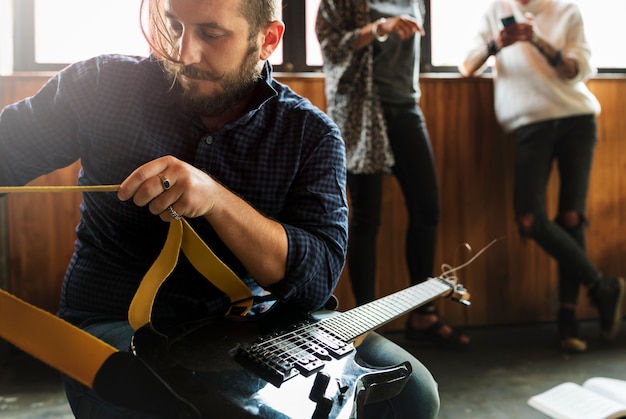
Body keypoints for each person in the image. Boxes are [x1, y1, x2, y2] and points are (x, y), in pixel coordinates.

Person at [0, 0, 440, 417]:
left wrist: (216, 199)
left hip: (260, 326)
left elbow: (316, 279)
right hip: (116, 324)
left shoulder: (310, 133)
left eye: (210, 33)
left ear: (268, 39)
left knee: (413, 394)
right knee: (178, 404)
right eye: (174, 25)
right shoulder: (99, 86)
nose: (183, 52)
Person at [459, 0, 624, 352]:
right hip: (529, 126)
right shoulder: (494, 11)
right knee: (530, 218)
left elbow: (577, 70)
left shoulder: (567, 10)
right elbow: (467, 67)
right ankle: (600, 285)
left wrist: (539, 43)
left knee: (571, 218)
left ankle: (568, 322)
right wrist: (496, 44)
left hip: (577, 120)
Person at [316, 0, 470, 350]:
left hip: (406, 106)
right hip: (361, 109)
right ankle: (365, 323)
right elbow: (331, 48)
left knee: (427, 210)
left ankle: (423, 314)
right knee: (368, 218)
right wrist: (378, 29)